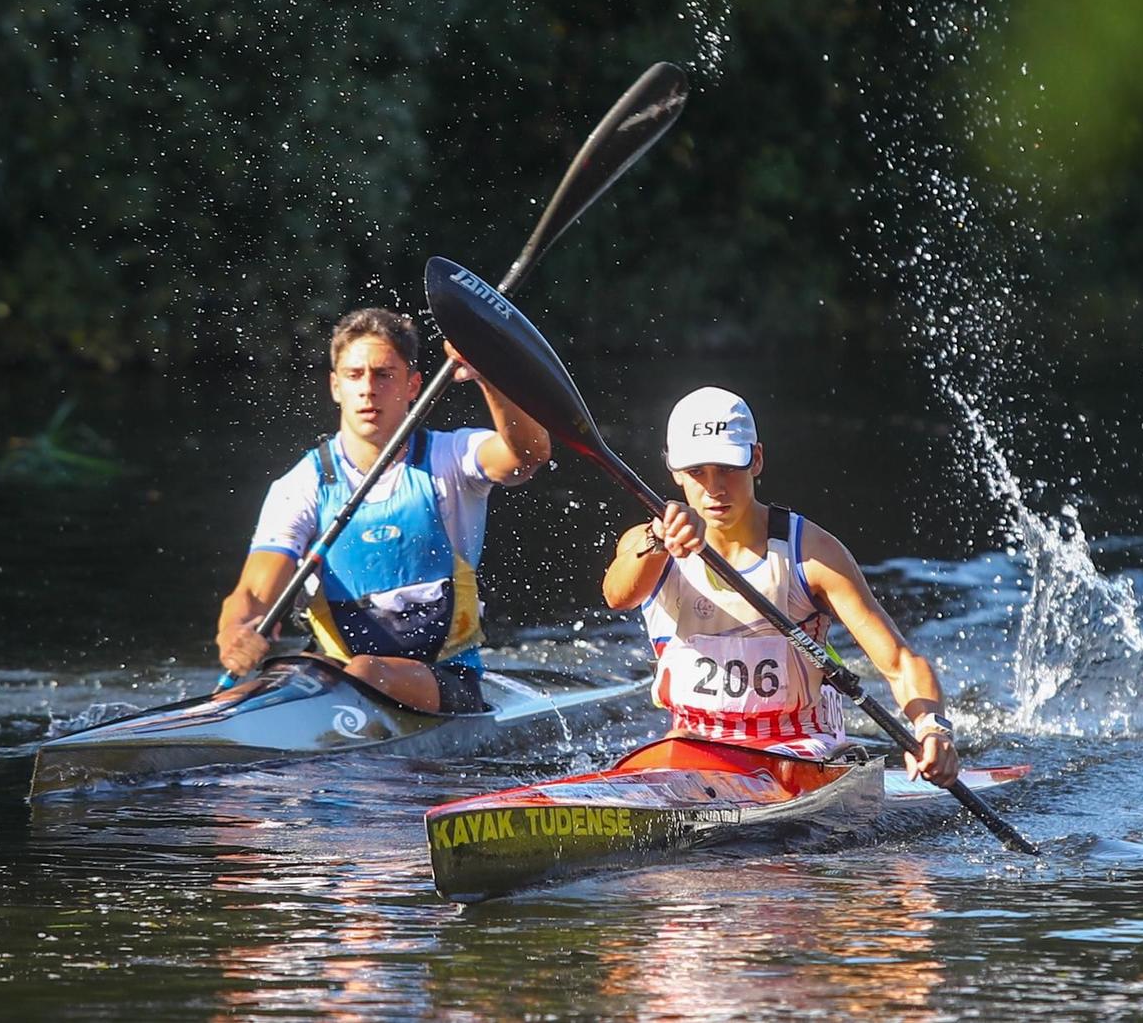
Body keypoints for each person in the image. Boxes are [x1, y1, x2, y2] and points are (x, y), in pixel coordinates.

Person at [601, 386, 961, 784]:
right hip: (690, 744)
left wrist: (932, 728)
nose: (715, 488)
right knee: (676, 751)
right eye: (697, 472)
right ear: (674, 471)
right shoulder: (647, 543)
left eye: (728, 468)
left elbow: (898, 662)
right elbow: (618, 596)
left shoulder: (811, 552)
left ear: (756, 460)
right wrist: (657, 538)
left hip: (801, 748)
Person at [215, 307, 550, 712]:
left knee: (364, 673)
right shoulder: (301, 485)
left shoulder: (449, 458)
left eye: (384, 375)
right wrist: (237, 632)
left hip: (443, 680)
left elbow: (529, 454)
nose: (368, 389)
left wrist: (488, 374)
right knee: (286, 677)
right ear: (335, 386)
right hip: (331, 679)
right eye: (354, 376)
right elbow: (252, 592)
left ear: (413, 386)